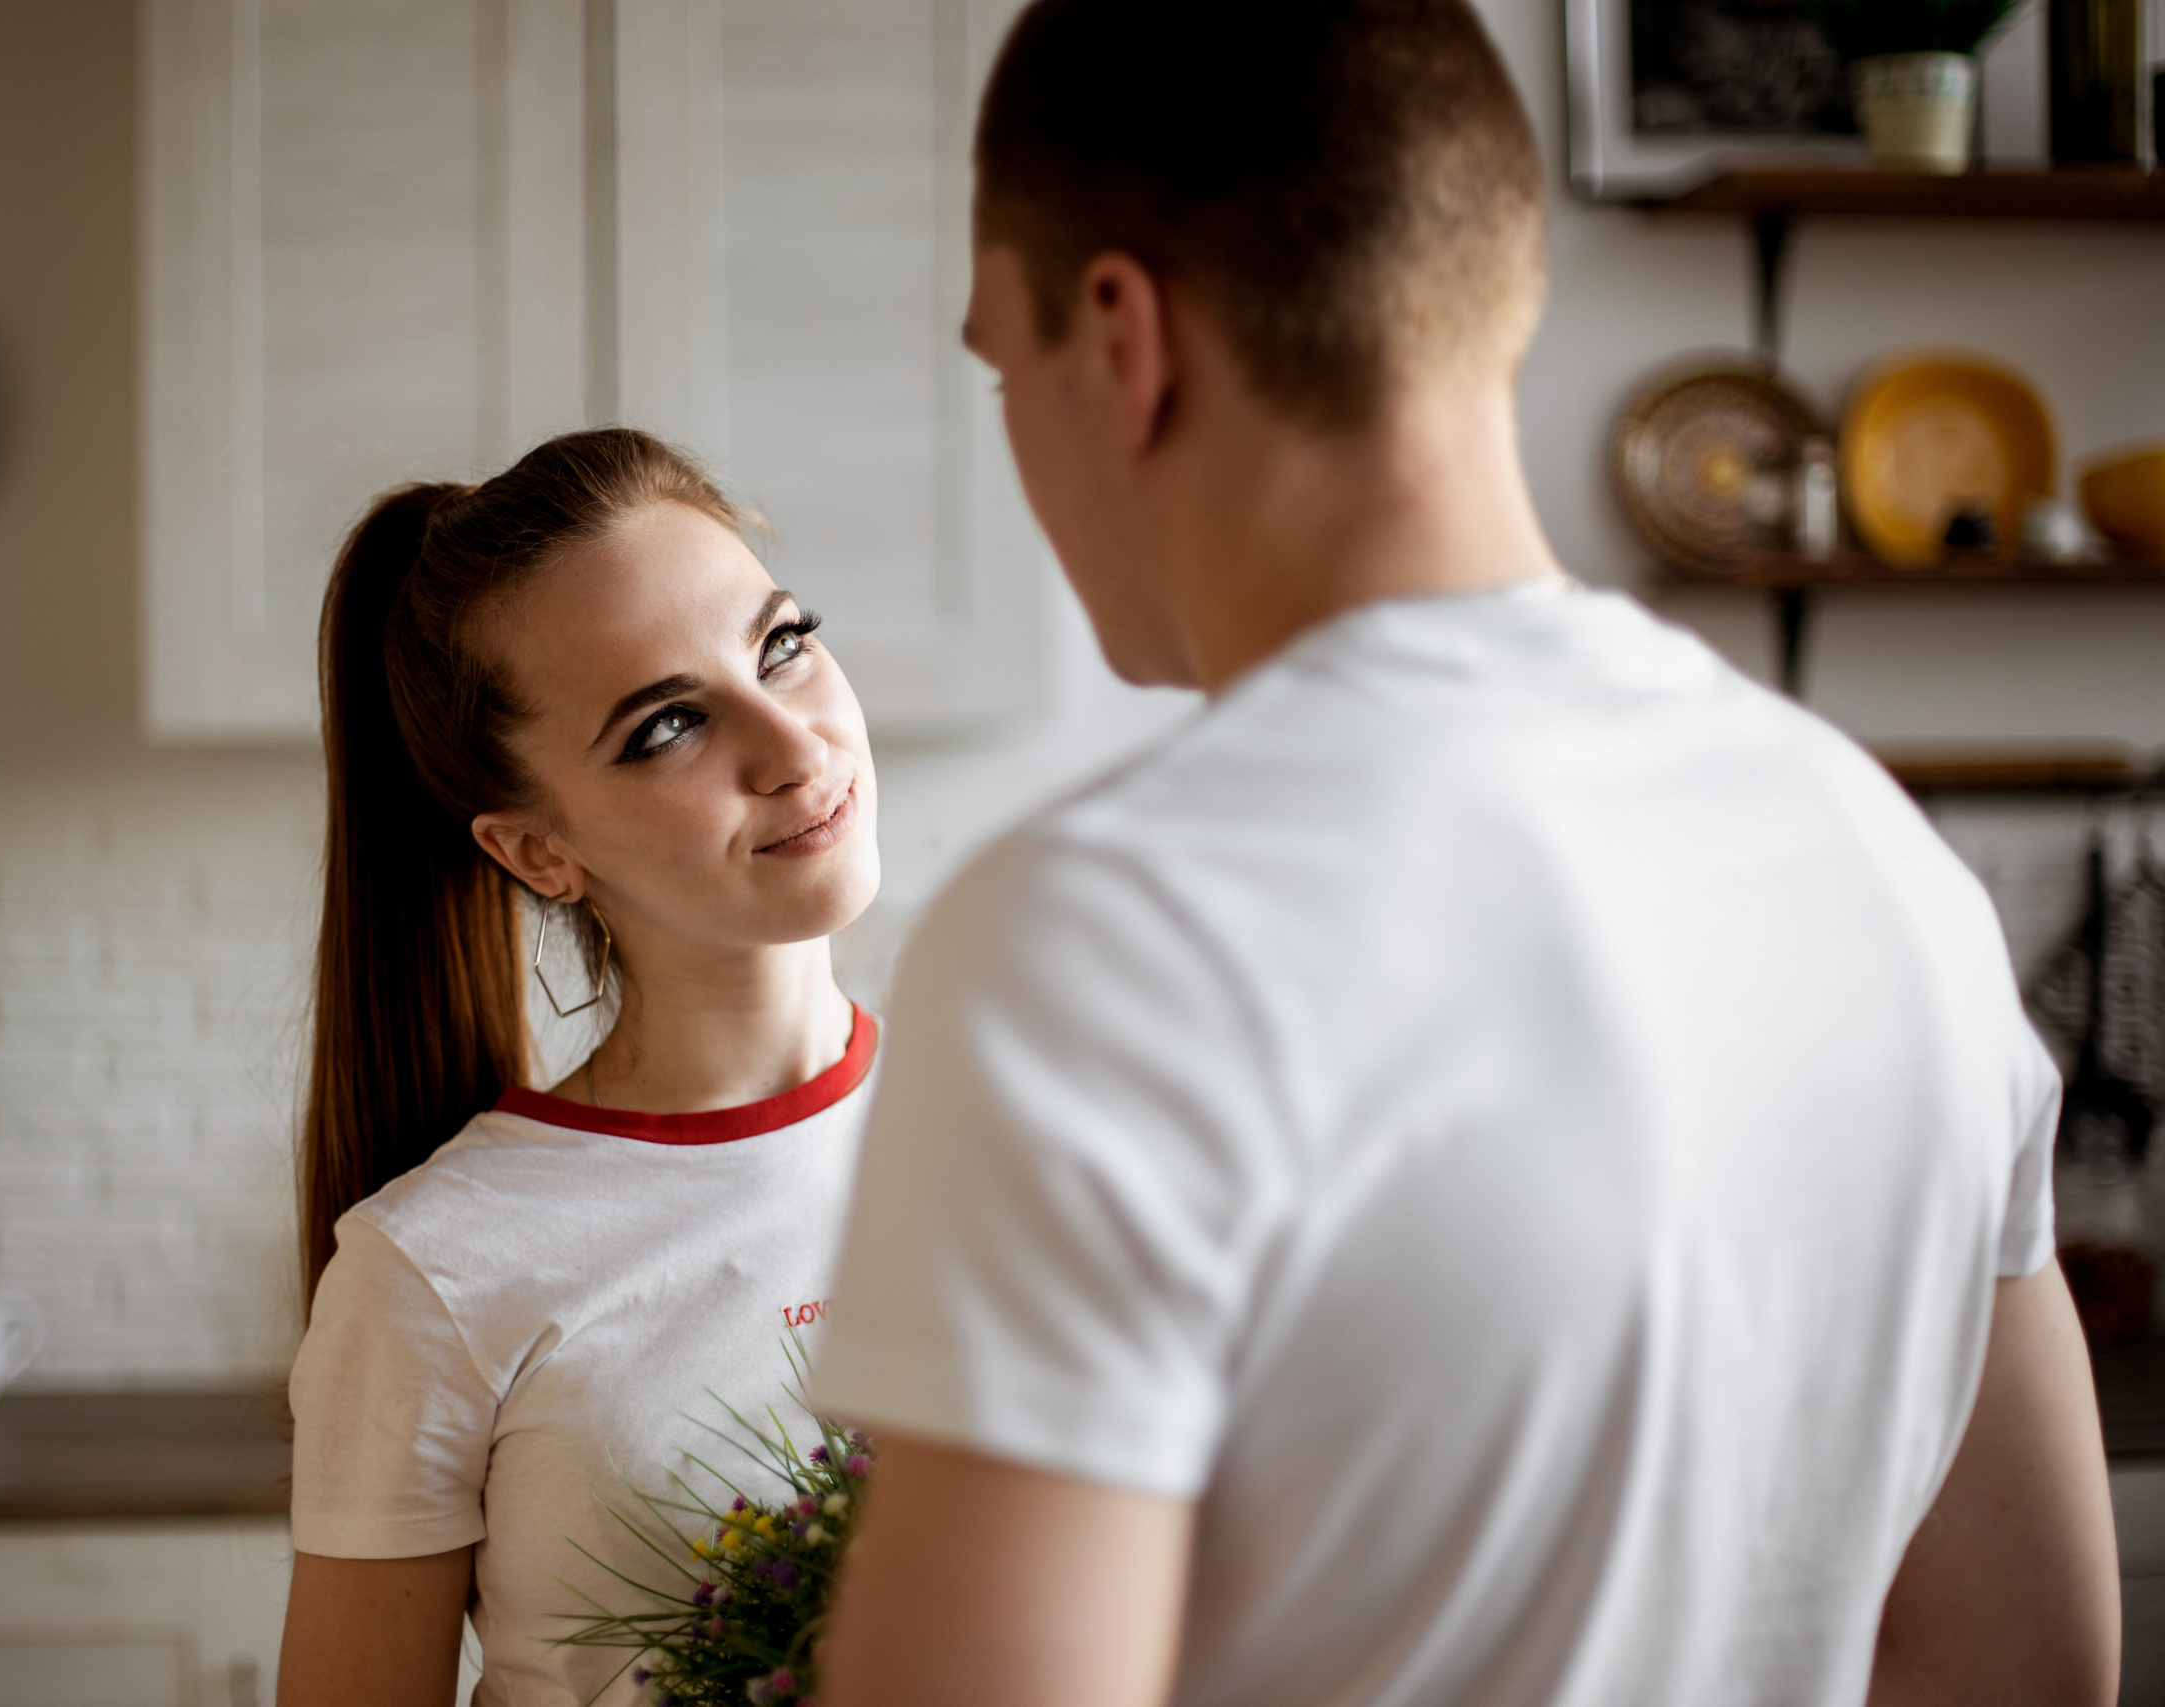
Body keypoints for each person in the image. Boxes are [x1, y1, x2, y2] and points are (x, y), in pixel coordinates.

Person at [810, 4, 2119, 1705]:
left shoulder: (1110, 930)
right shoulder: (1882, 858)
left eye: (1004, 366)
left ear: (1124, 336)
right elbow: (2031, 1666)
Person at [273, 428, 882, 1707]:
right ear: (535, 851)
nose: (792, 746)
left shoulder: (1037, 1125)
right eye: (667, 725)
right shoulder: (429, 1274)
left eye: (781, 643)